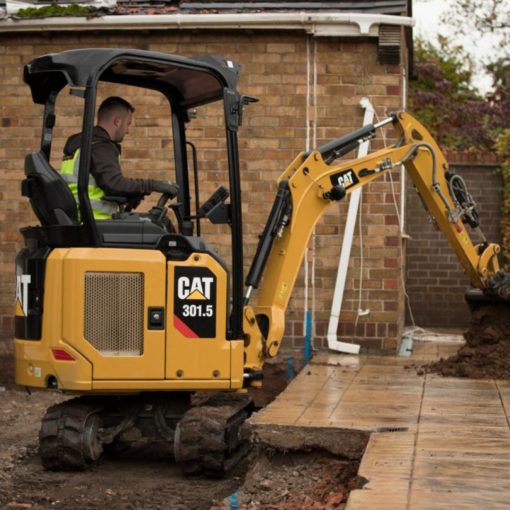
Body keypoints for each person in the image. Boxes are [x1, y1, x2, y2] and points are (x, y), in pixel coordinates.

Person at [60, 96, 179, 219]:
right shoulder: (100, 147)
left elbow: (103, 184)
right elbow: (114, 184)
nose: (127, 131)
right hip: (97, 221)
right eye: (128, 124)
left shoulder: (82, 144)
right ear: (117, 121)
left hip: (81, 217)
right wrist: (152, 185)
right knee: (161, 225)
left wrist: (131, 195)